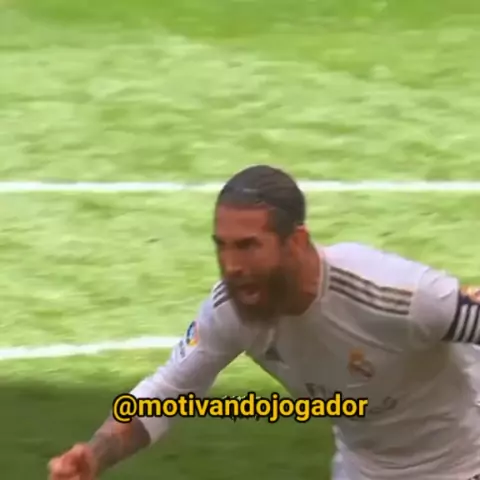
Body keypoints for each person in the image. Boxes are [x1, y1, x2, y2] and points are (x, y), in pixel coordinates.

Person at [48, 165, 480, 480]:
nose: (232, 266)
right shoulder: (231, 310)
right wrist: (96, 454)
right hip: (365, 469)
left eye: (249, 246)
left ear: (297, 242)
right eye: (223, 247)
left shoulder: (394, 295)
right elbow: (167, 393)